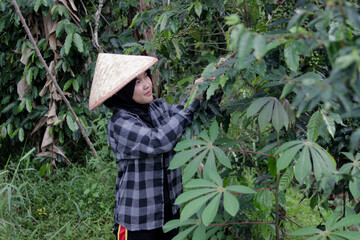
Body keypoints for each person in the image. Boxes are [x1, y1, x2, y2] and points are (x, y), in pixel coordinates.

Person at [88, 53, 208, 240]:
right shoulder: (120, 123)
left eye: (146, 76)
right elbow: (158, 140)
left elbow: (190, 114)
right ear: (122, 91)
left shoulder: (158, 107)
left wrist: (212, 84)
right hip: (138, 219)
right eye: (137, 82)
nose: (147, 84)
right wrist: (193, 99)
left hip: (169, 211)